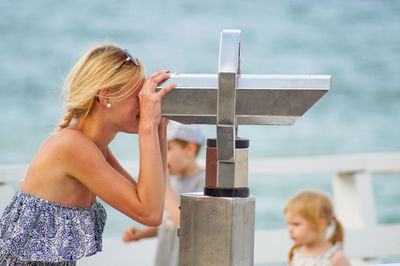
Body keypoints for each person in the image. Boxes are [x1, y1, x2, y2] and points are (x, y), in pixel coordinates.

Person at [0, 44, 177, 265]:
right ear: (106, 96)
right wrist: (148, 126)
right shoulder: (73, 147)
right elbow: (149, 213)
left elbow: (151, 204)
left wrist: (159, 127)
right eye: (138, 96)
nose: (145, 103)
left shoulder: (94, 147)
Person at [122, 120, 205, 266]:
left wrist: (165, 186)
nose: (162, 155)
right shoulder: (172, 181)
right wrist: (142, 233)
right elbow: (168, 221)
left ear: (190, 149)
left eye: (168, 148)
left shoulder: (203, 183)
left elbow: (186, 225)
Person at [284, 190, 351, 266]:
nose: (290, 230)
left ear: (320, 223)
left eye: (296, 224)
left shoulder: (335, 258)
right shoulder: (296, 253)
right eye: (288, 224)